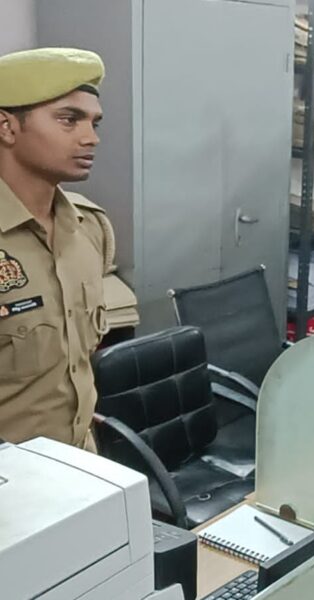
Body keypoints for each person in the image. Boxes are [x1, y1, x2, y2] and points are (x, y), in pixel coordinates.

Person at [0, 48, 115, 451]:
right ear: (7, 127)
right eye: (69, 119)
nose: (91, 138)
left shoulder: (90, 227)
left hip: (80, 462)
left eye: (94, 123)